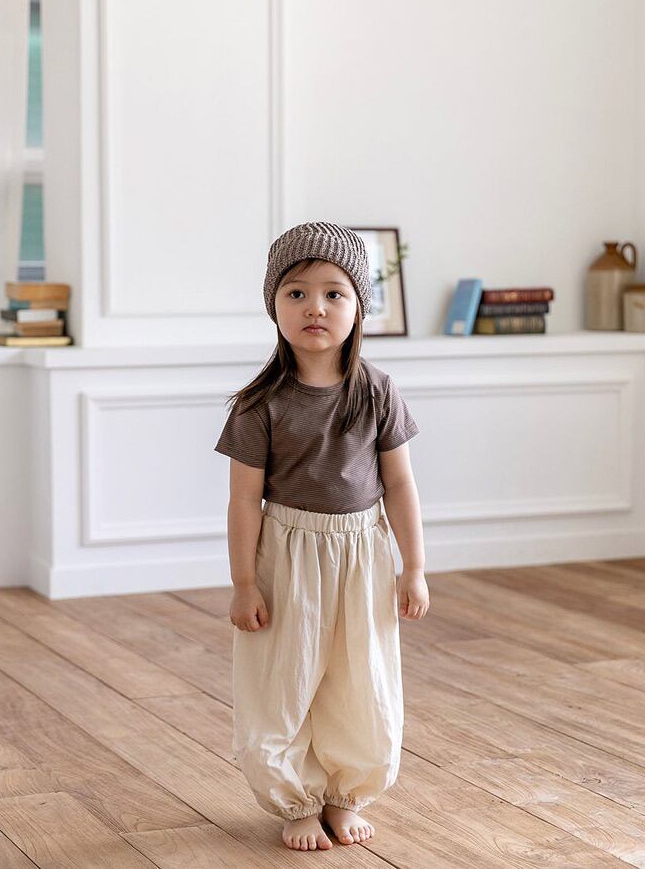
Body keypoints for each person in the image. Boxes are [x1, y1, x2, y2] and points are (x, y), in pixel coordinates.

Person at [213, 221, 428, 852]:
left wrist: (414, 568)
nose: (316, 307)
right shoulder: (259, 403)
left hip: (363, 556)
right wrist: (244, 583)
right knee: (284, 679)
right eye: (297, 293)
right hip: (287, 556)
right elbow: (243, 499)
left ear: (359, 307)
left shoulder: (376, 392)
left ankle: (343, 793)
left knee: (359, 677)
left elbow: (401, 485)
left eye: (335, 293)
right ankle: (296, 799)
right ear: (274, 306)